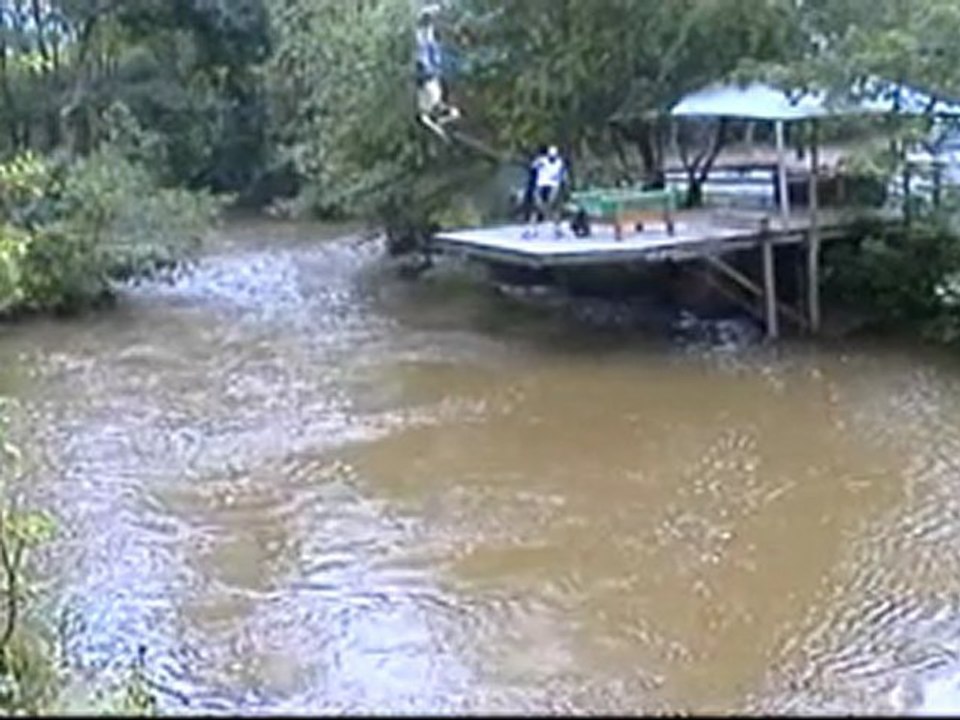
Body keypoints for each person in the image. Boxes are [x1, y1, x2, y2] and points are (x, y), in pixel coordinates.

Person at [415, 5, 460, 140]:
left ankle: (424, 23)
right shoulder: (437, 100)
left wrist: (439, 129)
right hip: (432, 75)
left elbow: (424, 119)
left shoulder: (426, 110)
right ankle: (427, 24)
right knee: (431, 49)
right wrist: (441, 127)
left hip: (427, 76)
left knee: (426, 49)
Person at [524, 145, 567, 238]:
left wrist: (561, 182)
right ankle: (532, 230)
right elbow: (533, 168)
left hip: (553, 186)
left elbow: (562, 174)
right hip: (541, 185)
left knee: (554, 208)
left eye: (554, 157)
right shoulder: (541, 160)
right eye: (551, 157)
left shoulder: (560, 162)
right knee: (536, 208)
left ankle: (557, 229)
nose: (552, 159)